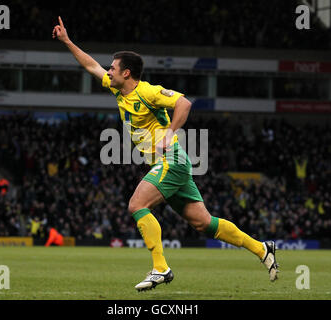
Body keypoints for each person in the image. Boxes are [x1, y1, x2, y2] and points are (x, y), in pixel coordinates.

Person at [52, 17, 279, 291]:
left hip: (171, 159)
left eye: (112, 68)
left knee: (137, 205)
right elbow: (90, 65)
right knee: (203, 224)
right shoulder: (117, 89)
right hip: (172, 163)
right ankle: (262, 248)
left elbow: (184, 103)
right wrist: (67, 41)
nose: (107, 71)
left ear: (127, 73)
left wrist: (170, 132)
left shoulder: (148, 91)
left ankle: (161, 268)